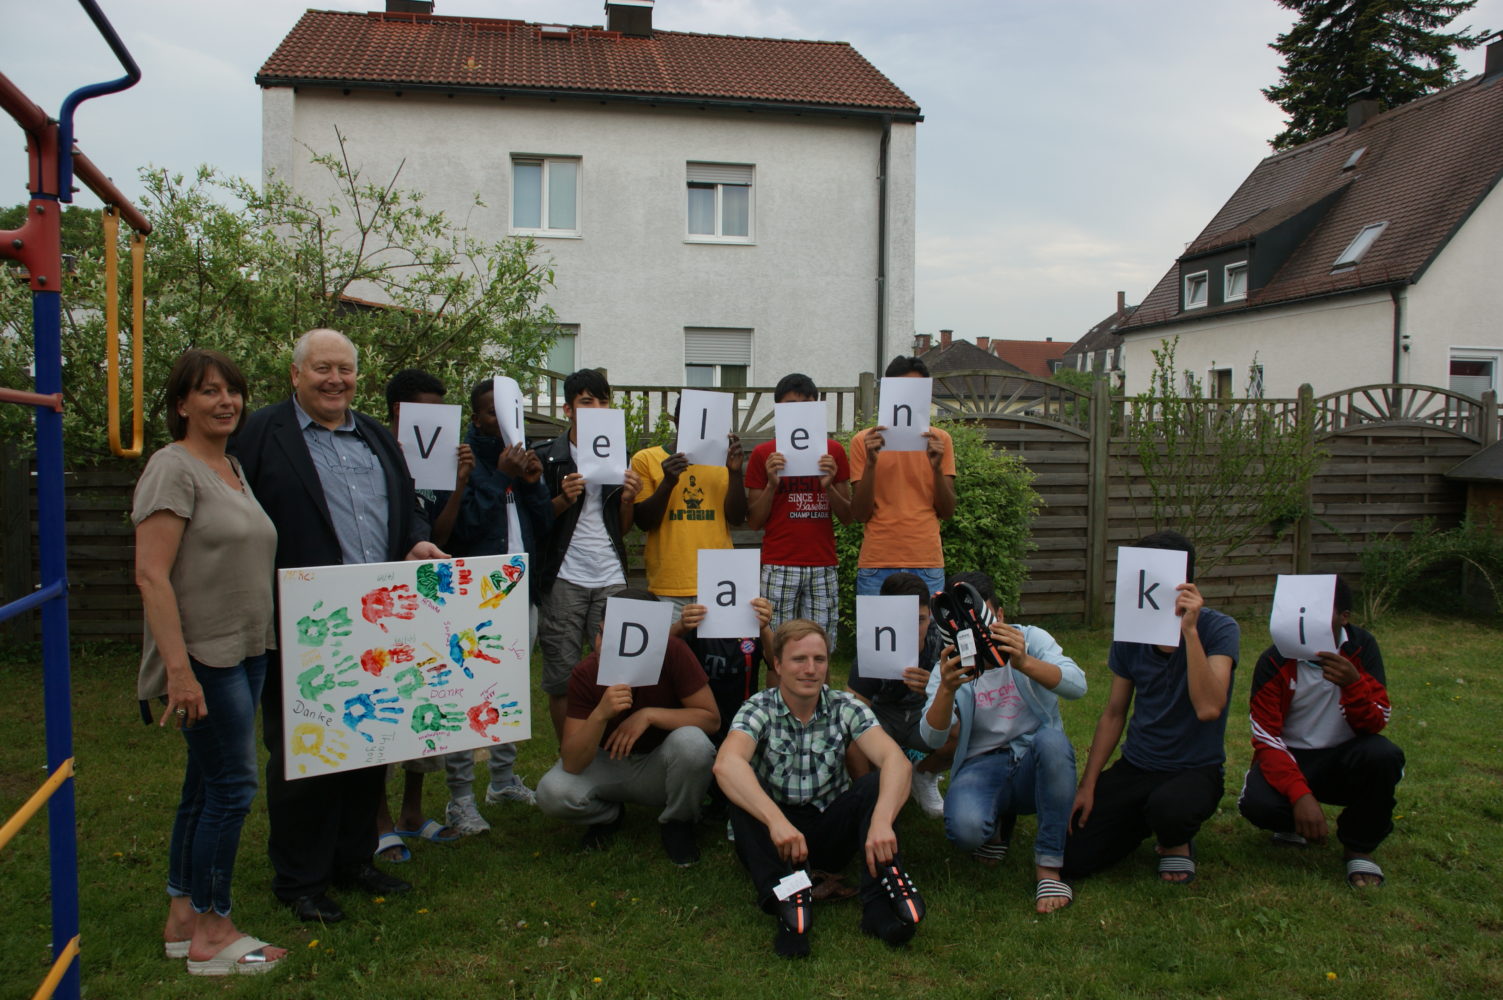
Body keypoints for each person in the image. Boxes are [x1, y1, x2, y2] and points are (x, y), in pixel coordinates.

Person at [231, 328, 446, 923]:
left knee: (370, 739)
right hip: (303, 623)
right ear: (296, 373)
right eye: (322, 369)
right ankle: (300, 879)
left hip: (378, 621)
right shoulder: (260, 436)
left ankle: (355, 858)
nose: (335, 380)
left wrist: (418, 542)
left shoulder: (376, 435)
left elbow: (404, 513)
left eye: (345, 370)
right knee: (305, 752)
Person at [133, 348, 285, 974]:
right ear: (181, 404)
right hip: (205, 657)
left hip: (248, 648)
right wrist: (178, 670)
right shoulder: (174, 468)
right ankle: (214, 935)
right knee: (233, 788)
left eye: (233, 391)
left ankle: (182, 917)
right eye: (209, 391)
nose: (226, 401)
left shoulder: (229, 465)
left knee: (203, 788)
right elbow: (150, 573)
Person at [714, 619, 926, 959]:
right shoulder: (758, 708)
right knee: (741, 795)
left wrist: (883, 821)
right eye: (799, 660)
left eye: (820, 659)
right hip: (774, 835)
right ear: (779, 665)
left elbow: (895, 761)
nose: (811, 670)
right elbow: (726, 764)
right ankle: (787, 910)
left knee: (876, 784)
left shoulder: (845, 706)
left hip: (826, 828)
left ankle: (877, 905)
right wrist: (775, 821)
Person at [1063, 531, 1239, 885]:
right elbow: (1114, 712)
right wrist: (1089, 784)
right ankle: (1144, 818)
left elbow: (1208, 708)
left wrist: (1189, 633)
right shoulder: (1131, 633)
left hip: (1195, 769)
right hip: (1140, 764)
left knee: (1171, 808)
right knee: (1072, 857)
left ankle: (1176, 839)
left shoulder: (1219, 629)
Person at [919, 571, 1085, 912]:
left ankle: (1049, 867)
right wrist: (947, 690)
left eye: (986, 618)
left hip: (1033, 756)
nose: (978, 631)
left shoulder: (1031, 638)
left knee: (1053, 742)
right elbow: (931, 737)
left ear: (1001, 614)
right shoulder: (952, 660)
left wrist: (1023, 661)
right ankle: (995, 827)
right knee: (965, 831)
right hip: (982, 763)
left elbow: (1077, 685)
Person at [438, 377, 554, 831]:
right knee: (466, 691)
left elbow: (542, 527)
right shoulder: (463, 460)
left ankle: (502, 780)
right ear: (477, 418)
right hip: (472, 596)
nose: (500, 421)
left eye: (506, 412)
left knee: (509, 690)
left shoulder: (522, 459)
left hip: (518, 593)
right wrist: (502, 476)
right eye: (490, 413)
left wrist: (532, 483)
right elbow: (461, 530)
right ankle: (460, 797)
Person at [534, 589, 719, 866]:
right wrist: (600, 715)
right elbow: (572, 762)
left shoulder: (673, 652)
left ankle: (678, 821)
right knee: (552, 792)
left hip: (660, 765)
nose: (603, 644)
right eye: (603, 633)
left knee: (694, 744)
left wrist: (649, 715)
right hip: (607, 764)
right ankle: (607, 815)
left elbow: (710, 719)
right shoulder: (587, 671)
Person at [1238, 576, 1402, 887]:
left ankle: (1359, 848)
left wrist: (1354, 684)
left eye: (1319, 612)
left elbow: (1376, 721)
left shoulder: (1361, 647)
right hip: (1292, 757)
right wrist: (1300, 796)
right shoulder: (1275, 658)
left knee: (1384, 755)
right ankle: (1291, 824)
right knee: (1258, 804)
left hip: (1345, 757)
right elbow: (1266, 737)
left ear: (1344, 618)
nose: (1306, 620)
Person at [372, 369, 472, 860]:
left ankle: (412, 810)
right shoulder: (374, 453)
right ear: (397, 412)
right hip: (381, 597)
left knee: (425, 695)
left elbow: (442, 531)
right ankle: (379, 819)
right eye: (423, 409)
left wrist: (456, 485)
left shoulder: (437, 461)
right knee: (383, 700)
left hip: (427, 590)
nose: (433, 419)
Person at [537, 369, 641, 740]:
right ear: (568, 409)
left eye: (603, 401)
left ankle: (607, 760)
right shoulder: (549, 458)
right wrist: (563, 499)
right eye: (586, 402)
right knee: (562, 678)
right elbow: (535, 522)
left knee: (614, 676)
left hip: (610, 575)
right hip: (565, 577)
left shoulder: (620, 457)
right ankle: (570, 759)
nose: (597, 408)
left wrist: (628, 498)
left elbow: (623, 527)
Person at [744, 373, 851, 645]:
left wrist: (829, 486)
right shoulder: (764, 454)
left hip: (822, 563)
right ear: (779, 411)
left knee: (822, 648)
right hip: (779, 562)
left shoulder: (833, 452)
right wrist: (771, 484)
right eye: (791, 406)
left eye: (807, 406)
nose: (799, 413)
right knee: (776, 649)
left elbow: (848, 516)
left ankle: (821, 691)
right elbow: (755, 521)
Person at [846, 572, 953, 819]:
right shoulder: (873, 642)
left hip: (924, 714)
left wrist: (937, 688)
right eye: (903, 620)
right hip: (883, 716)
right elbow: (850, 712)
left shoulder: (943, 640)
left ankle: (924, 774)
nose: (913, 629)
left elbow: (968, 699)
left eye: (920, 620)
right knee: (853, 740)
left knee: (964, 728)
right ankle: (869, 794)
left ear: (930, 616)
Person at [848, 355, 956, 598]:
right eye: (902, 389)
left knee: (930, 636)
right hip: (877, 562)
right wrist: (872, 463)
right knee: (877, 635)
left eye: (916, 390)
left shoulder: (940, 440)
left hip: (926, 560)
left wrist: (937, 468)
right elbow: (859, 513)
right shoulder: (864, 441)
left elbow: (947, 511)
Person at [632, 399, 747, 614]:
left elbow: (737, 518)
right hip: (669, 584)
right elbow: (644, 522)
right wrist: (667, 482)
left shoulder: (724, 461)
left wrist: (734, 472)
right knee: (672, 648)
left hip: (720, 583)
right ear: (677, 422)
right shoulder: (646, 459)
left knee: (715, 649)